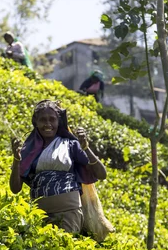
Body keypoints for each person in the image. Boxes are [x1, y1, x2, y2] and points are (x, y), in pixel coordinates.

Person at [10, 100, 107, 233]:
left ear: (58, 121)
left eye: (52, 119)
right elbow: (15, 189)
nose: (48, 124)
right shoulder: (28, 150)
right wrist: (16, 159)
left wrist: (86, 148)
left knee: (63, 249)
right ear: (36, 122)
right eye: (43, 120)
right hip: (39, 213)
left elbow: (102, 174)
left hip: (69, 211)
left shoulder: (70, 145)